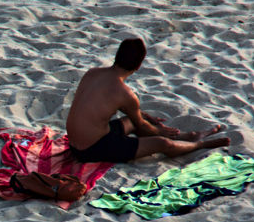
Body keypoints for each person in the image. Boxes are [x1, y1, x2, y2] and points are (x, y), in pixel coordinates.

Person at [65, 37, 230, 163]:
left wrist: (146, 118)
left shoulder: (93, 73)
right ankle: (199, 144)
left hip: (76, 142)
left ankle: (188, 136)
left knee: (133, 119)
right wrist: (160, 131)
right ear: (138, 66)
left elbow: (134, 117)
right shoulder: (125, 93)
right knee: (162, 143)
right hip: (91, 149)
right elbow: (142, 126)